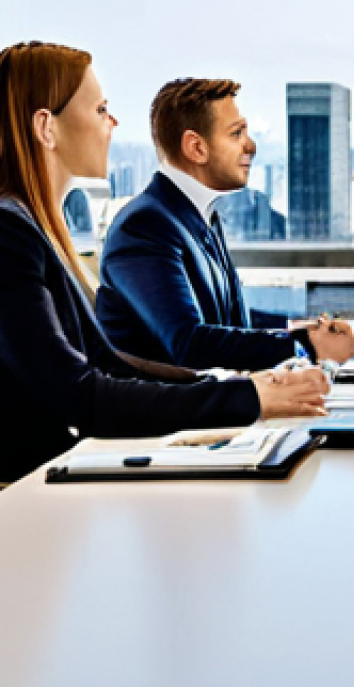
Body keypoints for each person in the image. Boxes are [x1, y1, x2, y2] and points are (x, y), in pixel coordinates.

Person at [0, 42, 330, 484]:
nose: (112, 124)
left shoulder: (34, 229)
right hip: (25, 499)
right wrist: (246, 397)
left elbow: (107, 364)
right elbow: (80, 396)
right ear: (46, 126)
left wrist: (246, 390)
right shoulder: (9, 234)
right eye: (100, 109)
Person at [97, 78, 354, 371]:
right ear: (196, 147)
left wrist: (299, 329)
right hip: (175, 413)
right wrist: (304, 346)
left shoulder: (197, 215)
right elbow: (188, 343)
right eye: (236, 134)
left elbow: (229, 321)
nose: (251, 146)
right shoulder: (144, 226)